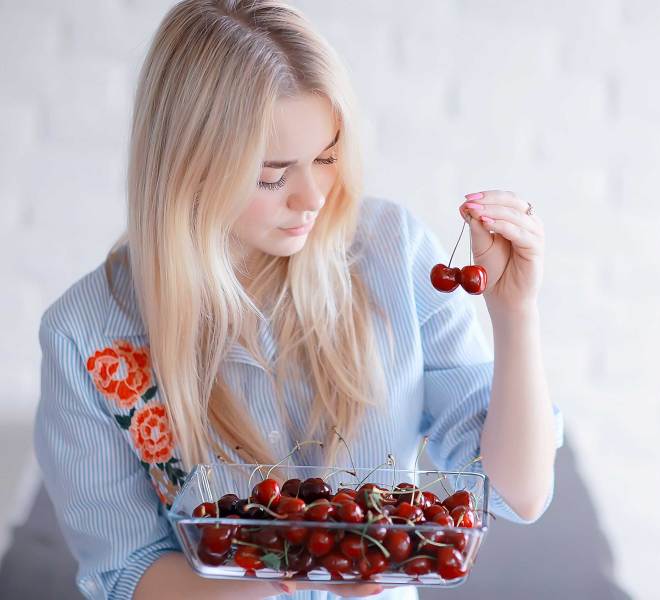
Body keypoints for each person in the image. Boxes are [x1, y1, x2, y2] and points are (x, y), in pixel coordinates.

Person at [32, 1, 563, 599]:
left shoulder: (394, 251)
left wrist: (515, 315)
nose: (312, 196)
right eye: (272, 174)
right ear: (187, 168)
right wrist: (310, 567)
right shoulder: (87, 334)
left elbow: (519, 492)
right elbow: (125, 571)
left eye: (328, 157)